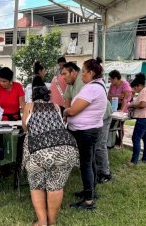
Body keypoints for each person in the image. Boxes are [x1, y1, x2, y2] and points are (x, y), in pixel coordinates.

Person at [22, 85, 78, 226]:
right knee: (56, 186)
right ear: (48, 95)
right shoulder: (56, 107)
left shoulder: (29, 106)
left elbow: (25, 126)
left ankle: (42, 222)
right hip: (65, 148)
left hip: (39, 151)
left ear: (33, 96)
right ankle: (52, 222)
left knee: (37, 186)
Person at [63, 57, 107, 210]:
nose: (82, 75)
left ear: (92, 72)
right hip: (91, 129)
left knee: (86, 164)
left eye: (84, 72)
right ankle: (91, 191)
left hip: (85, 131)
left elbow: (74, 109)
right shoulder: (98, 85)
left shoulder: (92, 88)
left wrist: (66, 111)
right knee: (91, 161)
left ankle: (88, 200)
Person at [126, 73, 146, 167]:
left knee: (136, 138)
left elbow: (142, 105)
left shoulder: (144, 91)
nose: (134, 90)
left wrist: (131, 105)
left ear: (138, 85)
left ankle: (134, 161)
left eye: (135, 88)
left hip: (144, 118)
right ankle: (145, 159)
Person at [108, 70, 133, 149]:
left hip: (123, 106)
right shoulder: (112, 85)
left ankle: (119, 143)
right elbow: (108, 96)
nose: (110, 81)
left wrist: (122, 110)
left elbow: (125, 98)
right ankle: (114, 141)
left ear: (115, 78)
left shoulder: (125, 85)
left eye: (111, 79)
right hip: (113, 106)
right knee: (111, 124)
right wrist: (118, 96)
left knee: (119, 124)